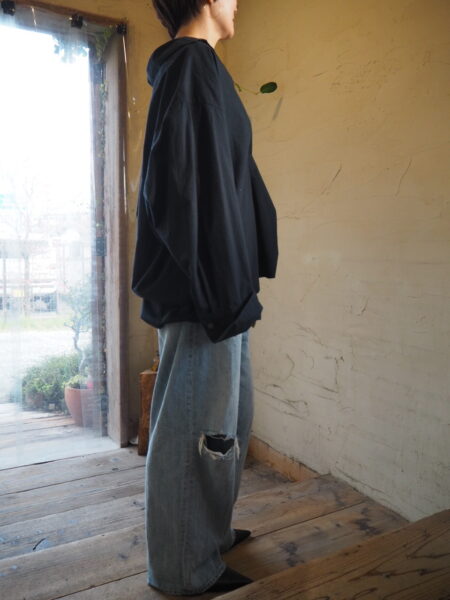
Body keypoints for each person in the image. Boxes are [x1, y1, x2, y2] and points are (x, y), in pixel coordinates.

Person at [131, 0, 278, 595]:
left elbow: (224, 180)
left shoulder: (201, 67)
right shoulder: (190, 65)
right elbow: (179, 189)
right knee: (195, 432)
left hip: (222, 286)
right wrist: (218, 287)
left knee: (224, 428)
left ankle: (207, 535)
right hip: (205, 293)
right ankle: (181, 569)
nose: (238, 2)